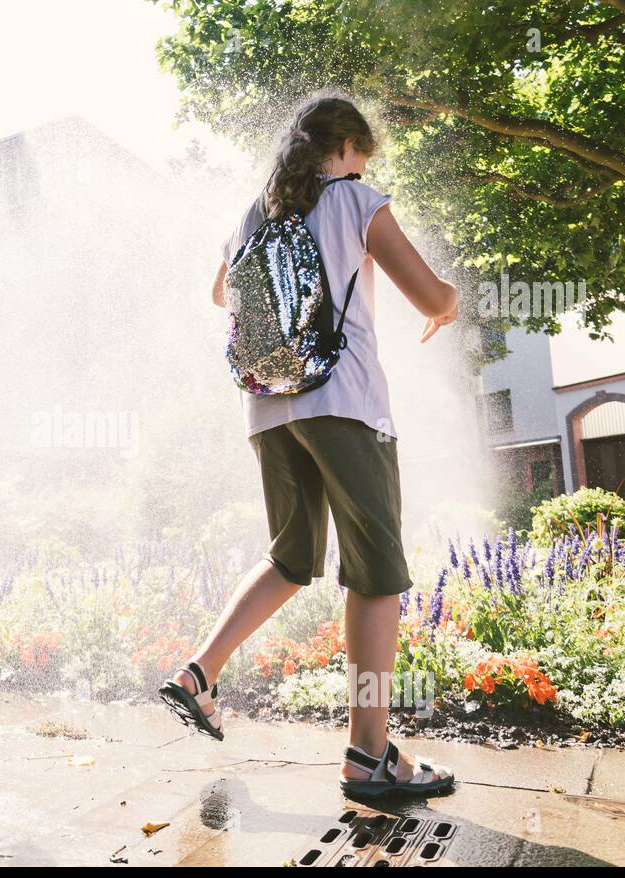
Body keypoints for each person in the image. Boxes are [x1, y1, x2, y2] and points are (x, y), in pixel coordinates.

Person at [158, 95, 460, 796]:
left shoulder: (252, 213)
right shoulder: (356, 201)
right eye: (363, 156)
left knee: (291, 559)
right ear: (347, 147)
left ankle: (198, 671)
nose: (364, 168)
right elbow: (431, 296)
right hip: (345, 406)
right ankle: (368, 754)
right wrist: (449, 304)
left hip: (270, 409)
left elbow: (219, 295)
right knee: (376, 574)